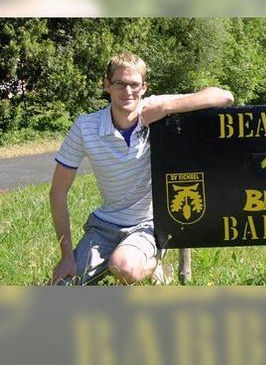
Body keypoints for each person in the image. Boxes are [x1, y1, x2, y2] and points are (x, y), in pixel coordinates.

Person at [50, 52, 234, 285]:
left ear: (144, 87)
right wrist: (66, 257)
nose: (128, 91)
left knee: (123, 266)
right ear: (107, 85)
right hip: (104, 225)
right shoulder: (85, 127)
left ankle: (154, 265)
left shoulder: (153, 110)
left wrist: (166, 106)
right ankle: (113, 261)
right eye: (120, 84)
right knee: (62, 285)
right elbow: (58, 191)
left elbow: (224, 96)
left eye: (134, 85)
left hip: (149, 223)